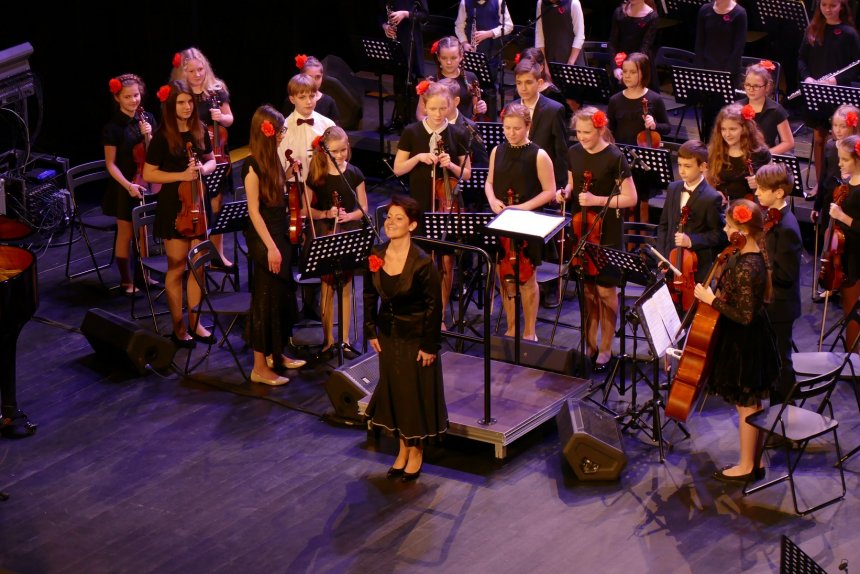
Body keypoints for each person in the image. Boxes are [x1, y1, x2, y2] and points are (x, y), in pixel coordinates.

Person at [693, 199, 780, 482]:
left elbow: (743, 316)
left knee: (747, 405)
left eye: (729, 225)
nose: (725, 229)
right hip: (751, 339)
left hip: (744, 344)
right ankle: (756, 459)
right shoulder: (748, 256)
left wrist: (712, 300)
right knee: (752, 404)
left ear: (742, 231)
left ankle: (746, 466)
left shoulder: (747, 267)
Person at [364, 194, 447, 482]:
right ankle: (402, 449)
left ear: (412, 225)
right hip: (388, 335)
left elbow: (434, 307)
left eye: (398, 218)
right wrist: (370, 329)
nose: (390, 222)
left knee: (413, 395)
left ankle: (416, 451)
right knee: (396, 392)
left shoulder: (422, 263)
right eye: (389, 217)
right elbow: (369, 294)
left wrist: (429, 346)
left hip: (415, 338)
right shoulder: (377, 253)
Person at [142, 80, 216, 348]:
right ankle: (178, 327)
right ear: (171, 106)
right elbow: (149, 174)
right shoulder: (162, 136)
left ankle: (196, 322)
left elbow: (211, 159)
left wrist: (204, 169)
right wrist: (181, 176)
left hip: (198, 203)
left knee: (199, 266)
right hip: (174, 206)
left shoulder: (200, 129)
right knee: (177, 267)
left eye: (189, 102)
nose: (187, 107)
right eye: (181, 102)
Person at [563, 106, 638, 370]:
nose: (582, 137)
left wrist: (596, 199)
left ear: (600, 129)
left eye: (587, 132)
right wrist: (566, 192)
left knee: (606, 292)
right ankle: (589, 343)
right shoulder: (574, 152)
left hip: (607, 233)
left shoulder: (615, 157)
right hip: (581, 230)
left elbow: (630, 198)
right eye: (578, 132)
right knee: (587, 291)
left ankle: (606, 347)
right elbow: (572, 184)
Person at [393, 80, 471, 327]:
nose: (438, 114)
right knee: (422, 260)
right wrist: (418, 157)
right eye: (433, 108)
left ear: (450, 107)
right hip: (420, 203)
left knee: (446, 261)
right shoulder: (412, 132)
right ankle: (422, 311)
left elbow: (467, 173)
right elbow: (398, 169)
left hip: (447, 204)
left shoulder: (457, 133)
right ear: (424, 106)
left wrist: (451, 165)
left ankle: (440, 314)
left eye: (443, 109)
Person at [242, 105, 307, 386]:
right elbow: (254, 211)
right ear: (266, 133)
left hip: (280, 232)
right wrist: (271, 247)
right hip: (265, 237)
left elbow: (277, 194)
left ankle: (277, 354)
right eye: (279, 131)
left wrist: (289, 172)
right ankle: (259, 366)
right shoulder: (251, 165)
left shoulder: (273, 160)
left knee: (281, 295)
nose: (282, 135)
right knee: (265, 300)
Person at [484, 102, 557, 342]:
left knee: (526, 280)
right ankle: (511, 328)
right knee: (505, 278)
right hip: (502, 222)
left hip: (527, 224)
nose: (511, 133)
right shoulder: (497, 151)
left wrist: (521, 208)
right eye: (507, 128)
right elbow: (489, 182)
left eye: (516, 128)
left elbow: (549, 191)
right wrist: (492, 200)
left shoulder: (539, 155)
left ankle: (529, 332)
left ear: (528, 126)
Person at [277, 72, 337, 323]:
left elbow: (340, 157)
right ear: (292, 99)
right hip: (293, 193)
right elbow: (277, 168)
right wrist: (289, 172)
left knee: (315, 244)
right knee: (291, 246)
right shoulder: (283, 128)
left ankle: (313, 303)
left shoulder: (326, 125)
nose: (309, 101)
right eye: (302, 97)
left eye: (312, 96)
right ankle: (291, 304)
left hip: (320, 193)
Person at [306, 126, 369, 357]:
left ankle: (344, 340)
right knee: (328, 287)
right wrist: (326, 213)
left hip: (348, 232)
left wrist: (349, 216)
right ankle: (328, 341)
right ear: (325, 151)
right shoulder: (317, 175)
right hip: (325, 233)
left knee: (345, 286)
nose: (341, 155)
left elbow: (363, 208)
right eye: (335, 151)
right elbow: (305, 210)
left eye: (343, 150)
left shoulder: (354, 173)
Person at [170, 47, 235, 268]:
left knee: (217, 207)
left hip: (216, 157)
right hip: (191, 158)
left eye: (200, 69)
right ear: (183, 72)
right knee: (196, 209)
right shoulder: (181, 95)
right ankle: (197, 255)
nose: (197, 74)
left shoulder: (217, 90)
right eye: (191, 71)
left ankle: (217, 255)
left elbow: (230, 119)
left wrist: (221, 118)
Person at [102, 73, 157, 295]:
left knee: (144, 232)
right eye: (127, 97)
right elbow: (110, 164)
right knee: (125, 233)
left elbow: (153, 155)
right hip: (123, 186)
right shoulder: (113, 128)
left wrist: (149, 136)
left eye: (136, 95)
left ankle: (145, 274)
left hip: (146, 181)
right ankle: (126, 280)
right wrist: (128, 186)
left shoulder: (148, 118)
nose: (133, 100)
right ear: (117, 98)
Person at [754, 164, 802, 413]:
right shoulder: (772, 217)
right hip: (771, 304)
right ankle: (777, 411)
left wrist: (759, 268)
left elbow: (785, 275)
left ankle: (785, 412)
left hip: (780, 306)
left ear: (779, 193)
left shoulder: (787, 227)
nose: (757, 193)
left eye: (762, 189)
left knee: (781, 361)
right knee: (773, 360)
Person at [798, 0, 860, 187]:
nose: (828, 9)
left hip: (839, 94)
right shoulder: (813, 30)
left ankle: (843, 183)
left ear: (841, 6)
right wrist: (807, 78)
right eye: (824, 5)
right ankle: (820, 184)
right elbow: (801, 59)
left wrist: (836, 80)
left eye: (833, 5)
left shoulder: (849, 34)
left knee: (840, 140)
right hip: (816, 91)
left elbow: (856, 66)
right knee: (819, 138)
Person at [606, 52, 670, 222]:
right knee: (623, 201)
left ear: (644, 73)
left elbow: (667, 127)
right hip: (621, 158)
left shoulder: (654, 99)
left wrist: (654, 125)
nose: (627, 76)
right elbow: (609, 131)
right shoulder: (615, 100)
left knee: (642, 202)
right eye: (625, 71)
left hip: (643, 161)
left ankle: (642, 235)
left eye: (632, 72)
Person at [656, 140, 726, 293]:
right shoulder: (673, 188)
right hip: (670, 263)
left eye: (687, 166)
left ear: (703, 167)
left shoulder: (711, 198)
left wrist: (691, 240)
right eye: (680, 165)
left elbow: (719, 235)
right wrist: (662, 257)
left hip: (695, 269)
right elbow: (664, 226)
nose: (682, 171)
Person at [513, 58, 570, 196]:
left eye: (528, 82)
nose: (523, 88)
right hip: (517, 179)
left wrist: (559, 186)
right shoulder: (511, 108)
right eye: (519, 83)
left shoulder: (554, 110)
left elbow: (561, 152)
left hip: (544, 181)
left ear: (539, 83)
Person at [692, 0, 748, 141]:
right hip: (706, 71)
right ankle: (707, 146)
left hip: (727, 73)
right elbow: (699, 43)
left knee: (725, 115)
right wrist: (700, 71)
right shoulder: (705, 10)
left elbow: (738, 48)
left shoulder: (739, 13)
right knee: (707, 115)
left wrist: (725, 75)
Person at [454, 0, 514, 118]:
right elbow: (459, 26)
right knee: (470, 88)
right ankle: (470, 119)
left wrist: (489, 33)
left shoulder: (499, 2)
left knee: (489, 89)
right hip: (472, 54)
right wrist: (464, 42)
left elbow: (509, 26)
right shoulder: (465, 3)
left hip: (491, 54)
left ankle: (490, 121)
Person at [828, 134, 860, 352]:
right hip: (846, 252)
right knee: (849, 308)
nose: (839, 163)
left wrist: (841, 217)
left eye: (845, 159)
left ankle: (853, 357)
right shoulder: (849, 184)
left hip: (856, 256)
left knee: (852, 310)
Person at [707, 103, 771, 205]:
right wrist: (714, 193)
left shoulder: (760, 153)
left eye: (732, 129)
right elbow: (707, 179)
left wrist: (760, 183)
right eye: (723, 129)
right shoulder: (715, 150)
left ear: (745, 129)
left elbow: (772, 182)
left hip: (750, 206)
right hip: (722, 205)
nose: (727, 134)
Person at [382, 0, 429, 131]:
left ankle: (412, 120)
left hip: (410, 39)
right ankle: (400, 117)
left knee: (411, 81)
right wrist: (385, 26)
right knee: (397, 80)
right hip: (394, 39)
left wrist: (405, 14)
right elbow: (379, 13)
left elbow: (425, 16)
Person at [415, 36, 487, 122]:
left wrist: (479, 108)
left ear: (461, 56)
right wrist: (434, 125)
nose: (449, 62)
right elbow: (421, 115)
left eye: (453, 58)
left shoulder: (471, 77)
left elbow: (474, 109)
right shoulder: (431, 83)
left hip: (465, 127)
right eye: (444, 58)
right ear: (438, 58)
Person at [812, 104, 860, 230]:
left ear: (853, 126)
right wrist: (817, 206)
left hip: (849, 206)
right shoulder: (830, 146)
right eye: (835, 125)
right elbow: (823, 178)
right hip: (830, 201)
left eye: (843, 126)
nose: (837, 130)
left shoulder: (857, 151)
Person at [737, 62, 794, 155]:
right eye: (747, 85)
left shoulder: (776, 110)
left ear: (767, 87)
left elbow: (788, 143)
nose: (751, 89)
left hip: (764, 159)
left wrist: (765, 155)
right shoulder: (737, 107)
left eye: (756, 86)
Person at [607, 0, 659, 86]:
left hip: (640, 64)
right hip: (620, 61)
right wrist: (615, 68)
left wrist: (630, 70)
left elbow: (644, 48)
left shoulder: (652, 16)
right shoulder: (619, 12)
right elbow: (612, 42)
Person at [517, 47, 573, 123]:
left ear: (541, 67)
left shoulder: (553, 93)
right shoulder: (520, 89)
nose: (523, 88)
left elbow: (565, 118)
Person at [282, 54, 340, 124]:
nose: (314, 81)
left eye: (318, 77)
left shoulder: (329, 102)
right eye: (309, 77)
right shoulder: (291, 101)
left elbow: (335, 128)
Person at [535, 0, 587, 67]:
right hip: (550, 59)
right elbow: (539, 36)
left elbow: (580, 36)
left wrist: (570, 64)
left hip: (572, 60)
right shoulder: (541, 3)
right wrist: (544, 65)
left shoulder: (574, 3)